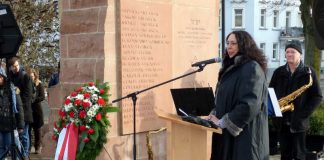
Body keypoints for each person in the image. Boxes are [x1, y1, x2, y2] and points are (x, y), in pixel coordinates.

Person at [207, 31, 269, 160]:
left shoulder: (252, 68)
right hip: (226, 136)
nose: (229, 47)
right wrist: (215, 114)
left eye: (233, 43)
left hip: (245, 137)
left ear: (244, 45)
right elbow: (222, 98)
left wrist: (223, 122)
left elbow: (250, 104)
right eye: (228, 43)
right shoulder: (230, 68)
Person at [269, 41, 322, 160]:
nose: (289, 54)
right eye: (287, 52)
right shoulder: (278, 72)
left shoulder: (309, 72)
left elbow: (317, 97)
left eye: (293, 52)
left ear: (300, 55)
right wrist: (274, 113)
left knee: (299, 156)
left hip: (299, 123)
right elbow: (270, 93)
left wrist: (303, 115)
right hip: (282, 122)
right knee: (285, 156)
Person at [7, 56, 33, 159]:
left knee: (24, 135)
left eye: (17, 65)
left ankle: (25, 154)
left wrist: (18, 101)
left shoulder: (26, 77)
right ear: (11, 68)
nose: (16, 68)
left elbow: (28, 96)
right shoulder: (10, 77)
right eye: (14, 66)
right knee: (16, 136)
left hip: (24, 110)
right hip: (14, 110)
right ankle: (18, 154)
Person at [0, 67, 24, 159]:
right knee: (1, 150)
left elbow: (19, 107)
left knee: (15, 151)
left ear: (2, 77)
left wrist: (21, 125)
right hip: (0, 126)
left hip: (11, 126)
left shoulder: (12, 89)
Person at [27, 68, 45, 154]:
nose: (31, 78)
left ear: (35, 76)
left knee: (37, 130)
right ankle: (29, 147)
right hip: (29, 111)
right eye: (29, 76)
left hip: (37, 110)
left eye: (32, 76)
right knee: (28, 130)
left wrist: (33, 100)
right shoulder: (26, 84)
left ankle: (37, 147)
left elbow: (42, 97)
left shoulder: (39, 84)